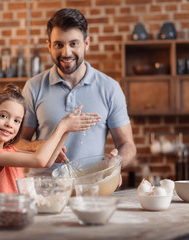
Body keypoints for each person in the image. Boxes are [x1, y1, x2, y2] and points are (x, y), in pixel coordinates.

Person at [16, 8, 137, 179]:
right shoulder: (33, 87)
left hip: (91, 192)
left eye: (73, 44)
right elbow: (17, 142)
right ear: (49, 45)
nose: (66, 53)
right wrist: (45, 146)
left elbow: (127, 144)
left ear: (86, 43)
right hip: (44, 192)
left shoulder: (110, 88)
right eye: (59, 44)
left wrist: (116, 164)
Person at [0, 84, 100, 202]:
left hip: (18, 216)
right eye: (3, 116)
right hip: (5, 218)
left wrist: (67, 130)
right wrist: (62, 126)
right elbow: (39, 160)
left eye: (17, 120)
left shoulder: (8, 150)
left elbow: (47, 162)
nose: (10, 124)